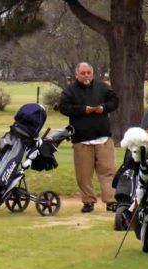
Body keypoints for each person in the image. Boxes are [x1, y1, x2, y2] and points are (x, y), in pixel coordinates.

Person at [58, 62, 119, 213]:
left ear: (92, 74)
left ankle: (111, 201)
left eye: (88, 73)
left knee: (108, 172)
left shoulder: (103, 87)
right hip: (82, 140)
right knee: (84, 175)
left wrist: (104, 108)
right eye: (83, 73)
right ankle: (88, 202)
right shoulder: (70, 91)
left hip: (103, 138)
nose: (86, 76)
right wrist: (83, 110)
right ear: (77, 74)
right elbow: (63, 107)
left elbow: (114, 101)